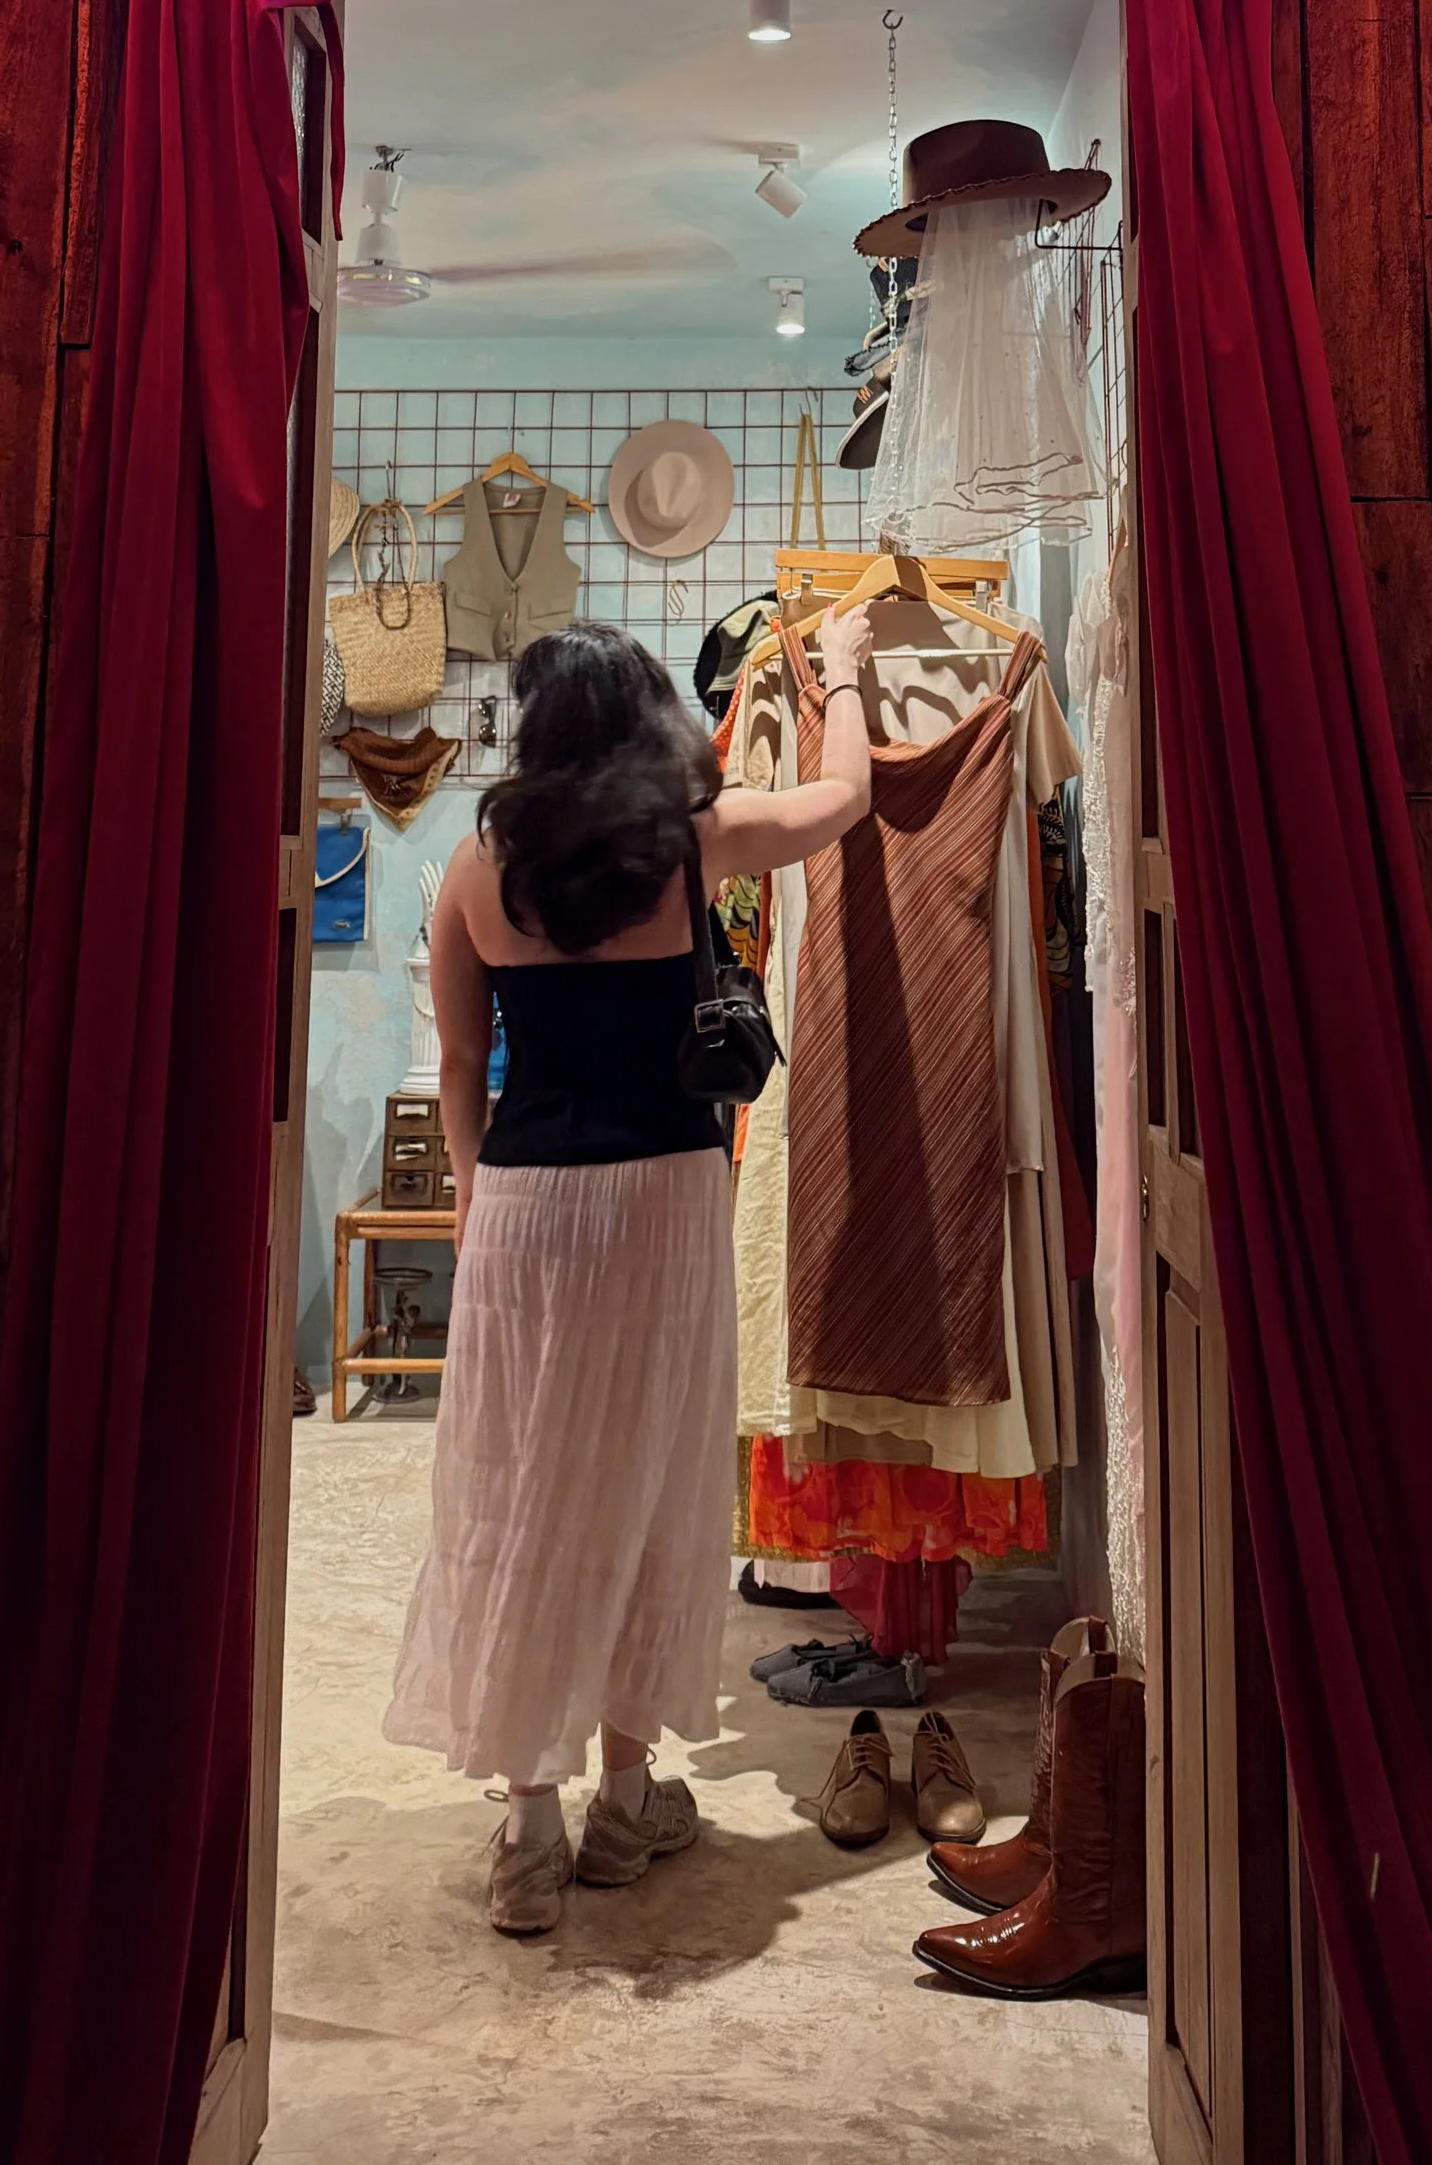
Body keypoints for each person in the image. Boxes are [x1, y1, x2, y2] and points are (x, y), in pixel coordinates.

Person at [384, 605, 876, 1933]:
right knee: (654, 1479)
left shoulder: (472, 870)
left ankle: (526, 1825)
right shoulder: (689, 843)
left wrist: (480, 1205)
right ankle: (626, 1801)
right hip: (664, 1199)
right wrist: (833, 678)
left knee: (521, 1491)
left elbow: (455, 1071)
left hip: (529, 1204)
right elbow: (837, 800)